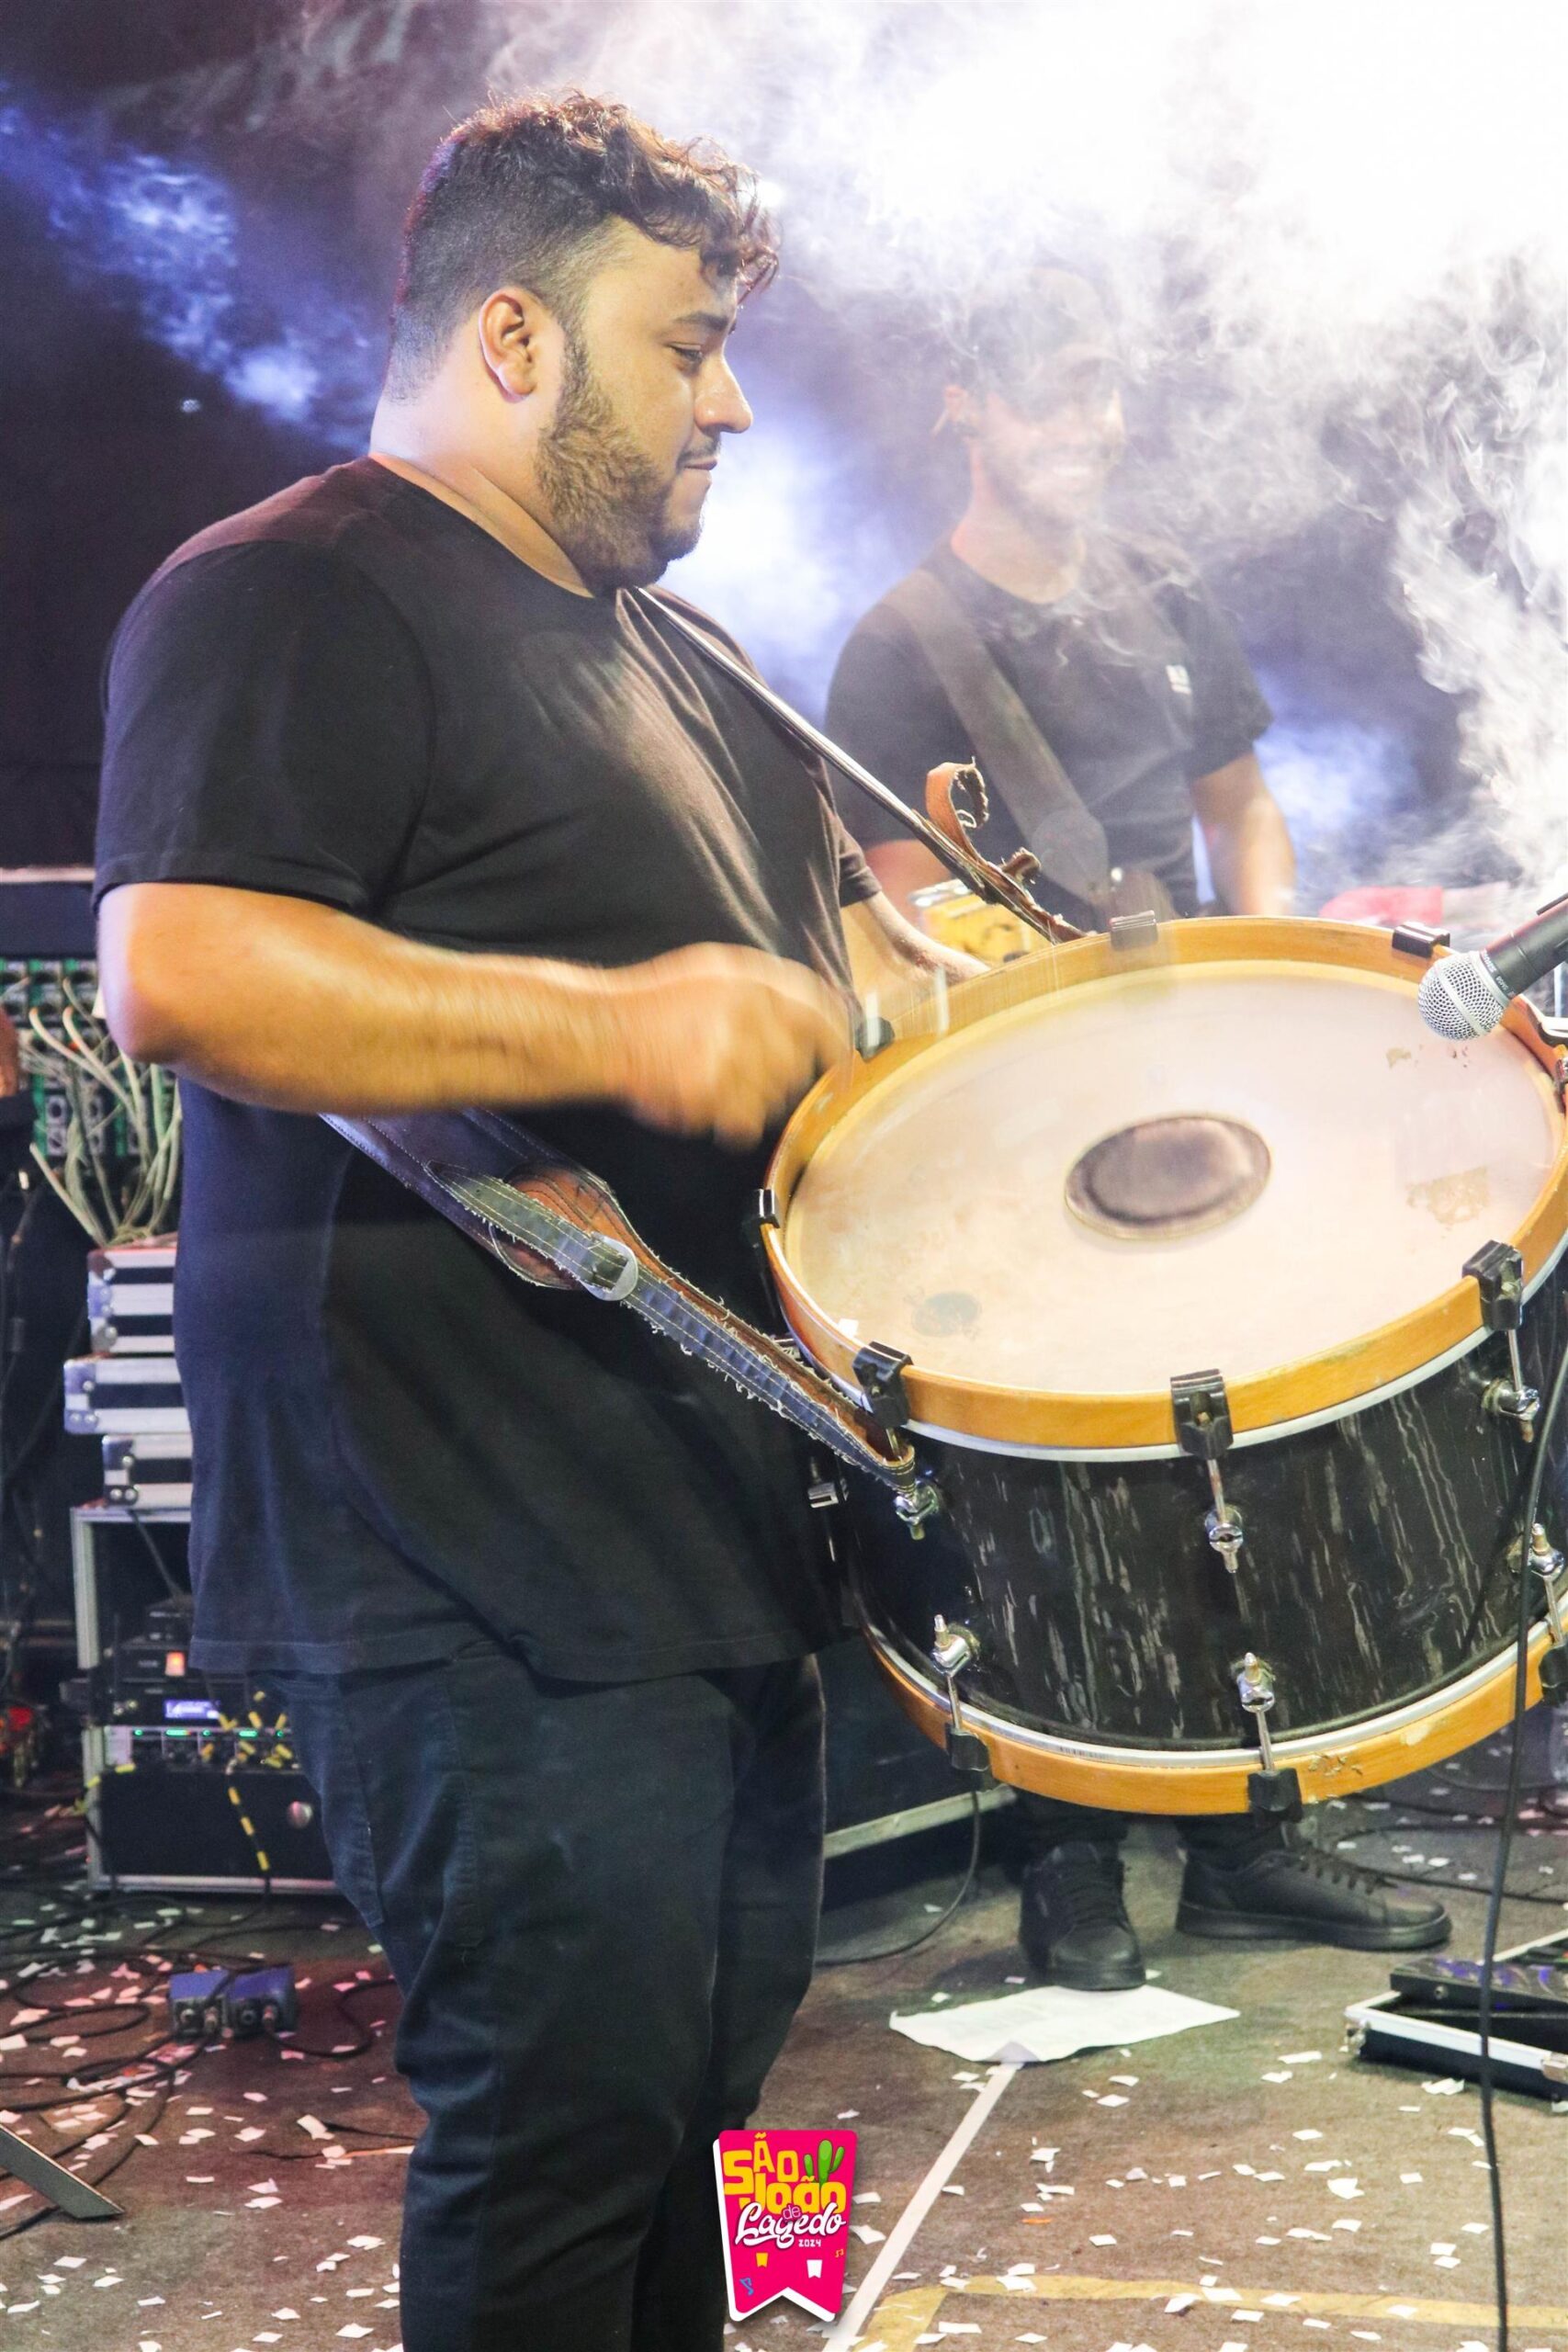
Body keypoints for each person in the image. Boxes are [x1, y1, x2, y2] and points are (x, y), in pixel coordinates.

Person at [93, 95, 966, 2352]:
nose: (729, 402)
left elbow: (839, 988)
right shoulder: (295, 584)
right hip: (468, 1542)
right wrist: (617, 1022)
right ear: (513, 337)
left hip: (712, 1524)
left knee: (728, 2093)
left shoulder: (686, 654)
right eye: (684, 345)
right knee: (560, 2130)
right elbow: (176, 969)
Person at [826, 266, 1450, 1990]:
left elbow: (1244, 811)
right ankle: (1070, 1859)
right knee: (1063, 1487)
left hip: (1203, 1078)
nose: (1093, 426)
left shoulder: (1163, 585)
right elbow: (910, 917)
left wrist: (1267, 958)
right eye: (1057, 390)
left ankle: (1250, 1842)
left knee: (1246, 1441)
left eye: (1108, 388)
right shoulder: (903, 643)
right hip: (1031, 1112)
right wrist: (1058, 1008)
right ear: (968, 403)